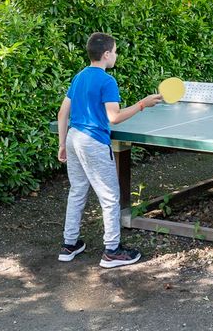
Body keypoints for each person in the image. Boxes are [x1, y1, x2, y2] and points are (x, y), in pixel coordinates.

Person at [56, 32, 162, 267]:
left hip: (74, 138)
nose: (116, 55)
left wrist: (62, 144)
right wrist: (142, 104)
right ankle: (112, 251)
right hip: (92, 141)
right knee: (110, 196)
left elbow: (62, 114)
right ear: (106, 54)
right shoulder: (107, 81)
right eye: (114, 51)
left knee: (77, 191)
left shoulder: (79, 76)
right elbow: (114, 117)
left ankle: (69, 244)